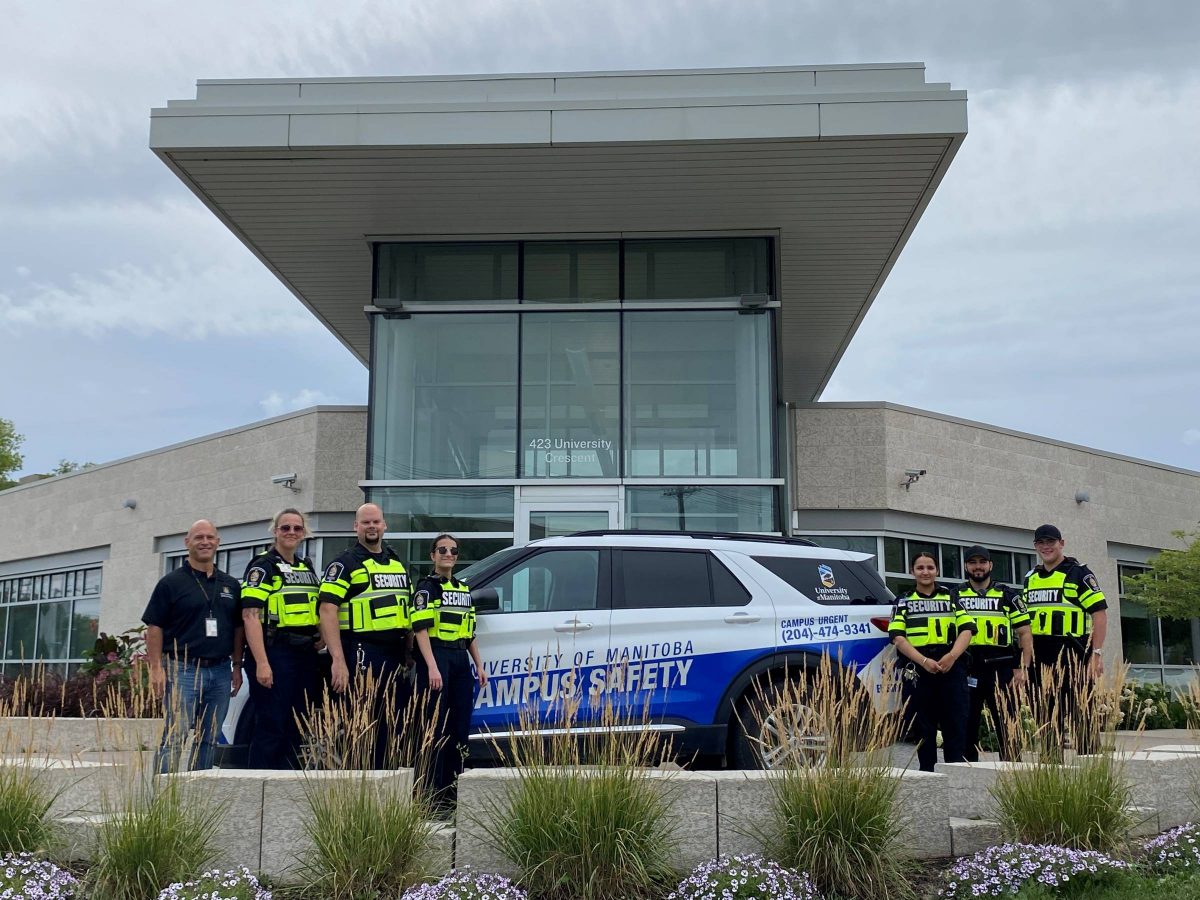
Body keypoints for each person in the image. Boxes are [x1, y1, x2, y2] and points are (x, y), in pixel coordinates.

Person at [143, 519, 244, 773]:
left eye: (210, 537)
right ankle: (165, 799)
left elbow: (238, 629)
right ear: (187, 543)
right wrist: (156, 668)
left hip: (220, 672)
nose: (205, 542)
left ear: (218, 543)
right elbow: (154, 627)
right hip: (182, 669)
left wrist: (236, 666)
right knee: (175, 736)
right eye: (199, 537)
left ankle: (197, 794)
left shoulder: (230, 585)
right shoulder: (171, 583)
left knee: (209, 738)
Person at [317, 502, 412, 768]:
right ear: (356, 527)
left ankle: (385, 778)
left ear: (384, 525)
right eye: (366, 522)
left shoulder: (395, 562)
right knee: (361, 719)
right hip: (360, 648)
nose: (372, 526)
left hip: (393, 653)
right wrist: (337, 659)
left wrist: (408, 650)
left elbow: (406, 609)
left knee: (390, 720)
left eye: (376, 521)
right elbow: (327, 610)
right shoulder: (344, 563)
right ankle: (360, 781)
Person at [240, 508, 322, 769]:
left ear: (304, 533)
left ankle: (286, 791)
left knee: (297, 726)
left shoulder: (306, 567)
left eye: (297, 528)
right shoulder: (263, 566)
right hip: (274, 653)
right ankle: (260, 789)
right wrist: (262, 663)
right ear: (275, 531)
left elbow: (312, 606)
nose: (291, 532)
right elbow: (250, 616)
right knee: (271, 727)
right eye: (285, 527)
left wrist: (319, 635)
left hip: (304, 655)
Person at [412, 534, 487, 812]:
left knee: (458, 729)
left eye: (453, 550)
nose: (448, 554)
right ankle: (428, 795)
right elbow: (420, 629)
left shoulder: (463, 589)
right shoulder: (426, 588)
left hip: (459, 659)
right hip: (437, 657)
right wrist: (431, 665)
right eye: (442, 549)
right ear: (433, 555)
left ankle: (451, 795)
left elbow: (470, 632)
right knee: (435, 729)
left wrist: (478, 664)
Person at [1022, 524, 1108, 757]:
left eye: (1051, 541)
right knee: (1046, 716)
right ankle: (1051, 764)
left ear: (1062, 543)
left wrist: (1096, 654)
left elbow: (1099, 615)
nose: (1046, 546)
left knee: (1083, 714)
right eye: (1041, 542)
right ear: (1035, 546)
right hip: (1041, 655)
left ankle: (1089, 765)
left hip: (1074, 653)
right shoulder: (1031, 578)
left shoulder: (1079, 573)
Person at [889, 551, 976, 771]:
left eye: (930, 567)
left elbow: (967, 630)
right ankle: (927, 774)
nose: (925, 572)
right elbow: (898, 638)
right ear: (912, 572)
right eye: (920, 568)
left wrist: (952, 656)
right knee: (922, 727)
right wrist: (924, 661)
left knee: (955, 725)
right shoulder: (904, 601)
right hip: (919, 669)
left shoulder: (951, 597)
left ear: (937, 571)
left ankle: (955, 774)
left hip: (950, 667)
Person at [957, 546, 1033, 761]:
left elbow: (1025, 633)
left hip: (1002, 668)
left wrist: (1023, 668)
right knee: (967, 722)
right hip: (968, 667)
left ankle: (1012, 769)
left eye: (982, 562)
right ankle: (967, 770)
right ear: (966, 566)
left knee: (1007, 723)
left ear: (990, 565)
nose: (978, 566)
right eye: (973, 562)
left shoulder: (1008, 594)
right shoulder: (955, 595)